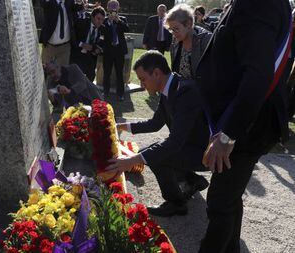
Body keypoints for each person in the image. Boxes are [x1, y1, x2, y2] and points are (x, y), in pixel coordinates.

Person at [195, 0, 292, 252]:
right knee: (228, 199)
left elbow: (258, 75)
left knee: (220, 202)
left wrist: (227, 135)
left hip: (247, 126)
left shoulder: (258, 4)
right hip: (243, 122)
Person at [105, 51, 210, 217]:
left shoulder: (185, 92)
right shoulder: (170, 87)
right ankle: (191, 180)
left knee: (156, 156)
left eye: (143, 79)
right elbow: (155, 124)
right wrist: (122, 126)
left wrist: (131, 161)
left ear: (156, 73)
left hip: (205, 153)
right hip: (190, 146)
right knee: (147, 153)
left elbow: (174, 143)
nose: (141, 84)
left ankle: (176, 203)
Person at [166, 4, 211, 80]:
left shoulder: (206, 40)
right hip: (182, 89)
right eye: (171, 29)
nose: (173, 33)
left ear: (188, 24)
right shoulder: (176, 41)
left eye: (176, 29)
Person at [39, 0, 82, 66]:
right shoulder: (49, 2)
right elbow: (43, 4)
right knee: (46, 73)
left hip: (64, 48)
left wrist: (80, 3)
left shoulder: (69, 3)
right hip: (49, 47)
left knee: (62, 74)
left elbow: (78, 7)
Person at [102, 0, 129, 101]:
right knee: (107, 73)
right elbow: (102, 31)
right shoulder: (105, 20)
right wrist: (108, 22)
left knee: (119, 73)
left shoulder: (122, 19)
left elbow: (127, 29)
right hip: (108, 51)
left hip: (119, 51)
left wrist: (118, 21)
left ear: (118, 8)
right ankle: (105, 92)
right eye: (111, 7)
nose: (113, 9)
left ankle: (120, 94)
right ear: (107, 8)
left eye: (115, 7)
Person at [70, 6, 106, 82]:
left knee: (91, 77)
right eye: (98, 18)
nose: (100, 22)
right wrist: (81, 44)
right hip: (78, 55)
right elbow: (72, 36)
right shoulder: (82, 23)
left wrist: (99, 50)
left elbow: (103, 44)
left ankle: (86, 92)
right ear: (92, 17)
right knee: (76, 78)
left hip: (91, 58)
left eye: (102, 19)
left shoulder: (103, 29)